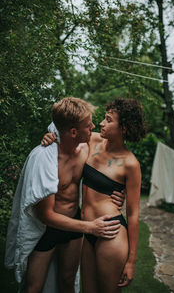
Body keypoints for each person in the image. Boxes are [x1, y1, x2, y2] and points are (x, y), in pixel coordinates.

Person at [5, 97, 124, 293]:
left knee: (68, 280)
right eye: (88, 125)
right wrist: (90, 227)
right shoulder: (46, 159)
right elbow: (46, 215)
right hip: (47, 228)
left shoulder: (87, 146)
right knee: (33, 287)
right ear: (73, 132)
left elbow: (121, 161)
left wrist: (120, 192)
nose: (94, 127)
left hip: (73, 223)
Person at [43, 97, 146, 293]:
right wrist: (50, 136)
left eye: (108, 120)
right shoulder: (93, 139)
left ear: (123, 128)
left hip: (110, 233)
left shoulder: (130, 163)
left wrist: (131, 261)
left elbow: (133, 214)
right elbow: (67, 134)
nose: (101, 123)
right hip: (88, 231)